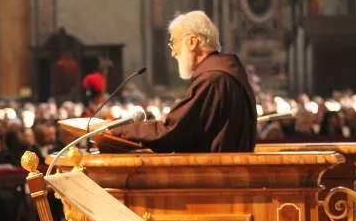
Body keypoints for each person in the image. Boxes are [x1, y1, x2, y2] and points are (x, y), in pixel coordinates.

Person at [109, 11, 257, 152]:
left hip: (216, 174)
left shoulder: (213, 79)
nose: (173, 53)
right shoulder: (224, 73)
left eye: (174, 43)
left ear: (192, 42)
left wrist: (115, 129)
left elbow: (173, 132)